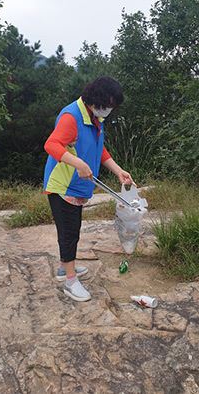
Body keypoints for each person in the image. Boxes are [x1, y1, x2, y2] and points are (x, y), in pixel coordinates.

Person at [43, 76, 133, 302]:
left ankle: (66, 267)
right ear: (95, 100)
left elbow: (99, 150)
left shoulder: (94, 117)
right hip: (62, 186)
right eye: (107, 105)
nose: (109, 110)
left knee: (73, 229)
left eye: (112, 107)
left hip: (78, 185)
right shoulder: (71, 117)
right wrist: (78, 164)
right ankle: (70, 281)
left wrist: (118, 170)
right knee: (69, 232)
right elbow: (51, 145)